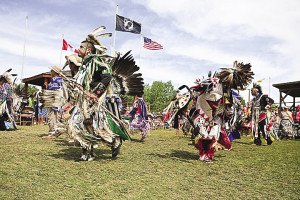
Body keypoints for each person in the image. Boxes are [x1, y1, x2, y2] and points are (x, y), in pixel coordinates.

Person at [44, 66, 64, 137]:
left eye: (51, 70)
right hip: (58, 101)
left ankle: (52, 132)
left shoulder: (55, 80)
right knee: (57, 116)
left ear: (54, 72)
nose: (50, 71)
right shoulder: (61, 80)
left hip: (53, 100)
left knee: (52, 116)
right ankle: (57, 130)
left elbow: (54, 91)